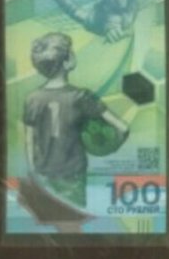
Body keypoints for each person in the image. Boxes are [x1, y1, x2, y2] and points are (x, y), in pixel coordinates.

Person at [23, 32, 129, 211]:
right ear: (66, 61)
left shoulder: (32, 98)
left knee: (50, 220)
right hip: (73, 174)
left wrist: (34, 172)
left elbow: (28, 141)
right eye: (71, 51)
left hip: (43, 174)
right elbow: (123, 127)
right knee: (73, 218)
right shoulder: (82, 96)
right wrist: (105, 144)